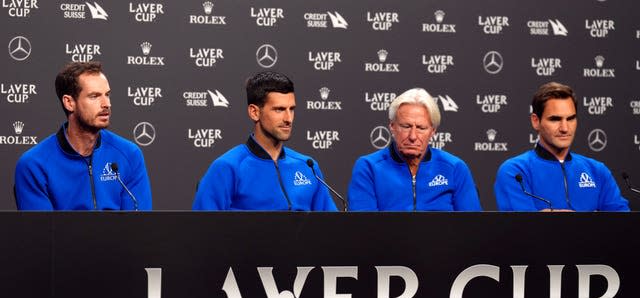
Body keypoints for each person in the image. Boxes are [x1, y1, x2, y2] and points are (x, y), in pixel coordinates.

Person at [14, 61, 152, 210]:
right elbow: (42, 231)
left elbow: (139, 227)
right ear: (69, 103)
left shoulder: (129, 154)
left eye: (107, 95)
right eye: (94, 96)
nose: (106, 104)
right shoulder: (34, 164)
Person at [192, 71, 337, 211]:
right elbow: (202, 230)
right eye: (279, 109)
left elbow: (332, 228)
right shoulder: (227, 167)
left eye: (291, 109)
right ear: (254, 112)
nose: (288, 118)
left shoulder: (308, 166)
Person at [494, 82, 629, 211]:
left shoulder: (597, 171)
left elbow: (622, 226)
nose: (565, 128)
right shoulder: (516, 171)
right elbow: (524, 228)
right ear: (536, 121)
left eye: (570, 119)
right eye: (555, 119)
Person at [347, 88, 482, 211]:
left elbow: (473, 227)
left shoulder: (454, 168)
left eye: (421, 128)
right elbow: (363, 228)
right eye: (406, 126)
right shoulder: (368, 167)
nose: (413, 136)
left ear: (433, 131)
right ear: (392, 127)